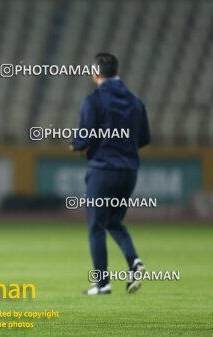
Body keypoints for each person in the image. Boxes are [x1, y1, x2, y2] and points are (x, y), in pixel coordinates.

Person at [70, 53, 151, 295]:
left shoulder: (93, 101)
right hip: (129, 171)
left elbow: (83, 138)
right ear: (117, 71)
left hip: (103, 170)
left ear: (95, 74)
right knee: (114, 221)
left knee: (96, 226)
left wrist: (76, 145)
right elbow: (143, 139)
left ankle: (102, 283)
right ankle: (134, 262)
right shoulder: (136, 101)